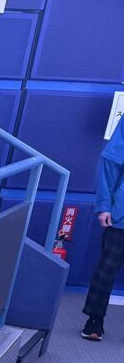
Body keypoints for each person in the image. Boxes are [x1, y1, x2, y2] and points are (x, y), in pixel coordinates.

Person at [81, 115, 124, 341]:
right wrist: (105, 205)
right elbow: (111, 163)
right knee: (106, 269)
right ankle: (94, 321)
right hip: (122, 216)